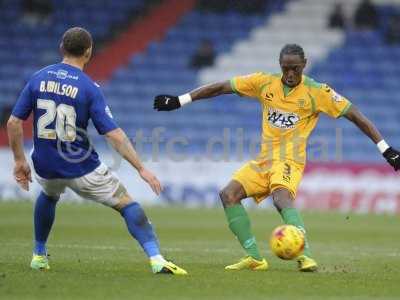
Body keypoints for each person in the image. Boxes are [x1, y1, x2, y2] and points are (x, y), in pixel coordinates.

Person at [153, 44, 400, 272]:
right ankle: (255, 258)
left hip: (290, 161)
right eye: (285, 68)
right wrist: (180, 100)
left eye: (295, 68)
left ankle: (305, 255)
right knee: (228, 195)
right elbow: (221, 87)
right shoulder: (264, 82)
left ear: (304, 65)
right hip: (264, 161)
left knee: (281, 198)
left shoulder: (317, 92)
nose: (290, 73)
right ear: (279, 65)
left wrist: (386, 149)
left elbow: (355, 115)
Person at [7, 27, 187, 275]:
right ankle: (157, 260)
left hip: (45, 165)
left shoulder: (38, 77)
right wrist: (141, 168)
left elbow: (14, 123)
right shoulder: (89, 88)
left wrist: (19, 160)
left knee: (49, 195)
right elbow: (113, 134)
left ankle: (38, 255)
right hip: (81, 166)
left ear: (62, 47)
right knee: (127, 204)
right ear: (89, 52)